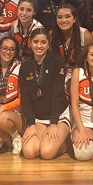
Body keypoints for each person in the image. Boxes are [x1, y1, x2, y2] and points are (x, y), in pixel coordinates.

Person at [18, 28, 71, 160]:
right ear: (30, 43)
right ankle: (46, 138)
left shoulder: (57, 62)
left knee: (46, 153)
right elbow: (26, 98)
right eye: (36, 42)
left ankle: (63, 143)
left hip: (58, 115)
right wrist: (31, 124)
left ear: (48, 44)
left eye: (43, 42)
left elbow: (58, 94)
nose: (39, 46)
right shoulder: (25, 67)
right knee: (29, 152)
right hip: (39, 117)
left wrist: (53, 123)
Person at [50, 4, 93, 84]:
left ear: (74, 19)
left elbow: (90, 60)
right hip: (58, 74)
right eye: (60, 17)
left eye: (68, 17)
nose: (63, 20)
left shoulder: (84, 35)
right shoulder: (51, 36)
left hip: (80, 74)